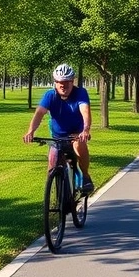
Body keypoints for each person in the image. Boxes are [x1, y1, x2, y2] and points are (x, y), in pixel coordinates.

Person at [23, 63, 94, 194]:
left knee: (79, 145)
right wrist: (31, 131)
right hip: (58, 136)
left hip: (76, 134)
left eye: (67, 82)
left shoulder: (80, 93)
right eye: (60, 82)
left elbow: (85, 112)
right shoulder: (50, 95)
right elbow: (39, 113)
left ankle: (85, 176)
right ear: (55, 82)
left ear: (72, 82)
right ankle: (57, 194)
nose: (63, 85)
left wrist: (85, 130)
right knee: (52, 162)